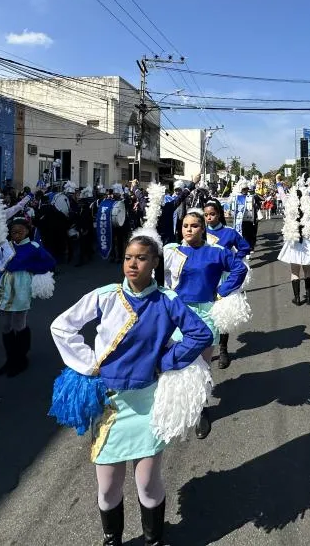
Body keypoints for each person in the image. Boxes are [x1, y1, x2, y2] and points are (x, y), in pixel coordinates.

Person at [51, 231, 212, 546]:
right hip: (111, 405)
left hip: (148, 404)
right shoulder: (107, 295)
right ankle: (113, 541)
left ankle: (153, 540)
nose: (133, 264)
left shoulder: (167, 299)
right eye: (128, 258)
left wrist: (165, 362)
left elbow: (200, 334)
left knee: (148, 483)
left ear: (154, 262)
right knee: (109, 486)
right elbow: (62, 325)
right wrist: (90, 364)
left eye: (141, 258)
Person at [163, 211, 248, 439]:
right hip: (179, 313)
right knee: (182, 362)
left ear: (203, 229)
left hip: (207, 313)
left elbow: (240, 268)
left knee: (202, 364)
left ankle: (201, 410)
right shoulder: (172, 252)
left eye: (194, 226)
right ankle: (179, 406)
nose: (188, 230)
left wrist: (222, 291)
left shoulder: (216, 251)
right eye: (185, 226)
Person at [0, 217, 56, 378]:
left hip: (22, 286)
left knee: (19, 323)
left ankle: (21, 358)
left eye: (20, 231)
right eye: (13, 232)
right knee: (5, 324)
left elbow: (49, 262)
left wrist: (28, 267)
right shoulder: (6, 246)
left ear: (27, 231)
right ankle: (10, 359)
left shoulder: (34, 246)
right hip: (6, 286)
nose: (17, 234)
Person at [202, 200, 250, 370]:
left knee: (222, 315)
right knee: (204, 313)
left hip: (223, 279)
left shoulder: (229, 232)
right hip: (204, 277)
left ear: (219, 214)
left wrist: (232, 260)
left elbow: (245, 247)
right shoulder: (199, 230)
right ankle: (204, 350)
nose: (209, 218)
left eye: (212, 214)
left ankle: (223, 350)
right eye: (206, 215)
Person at [277, 179, 310, 306]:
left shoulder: (288, 203)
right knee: (308, 270)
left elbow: (281, 194)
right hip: (307, 240)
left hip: (294, 240)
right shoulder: (309, 203)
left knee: (294, 272)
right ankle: (309, 298)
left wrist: (278, 183)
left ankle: (297, 298)